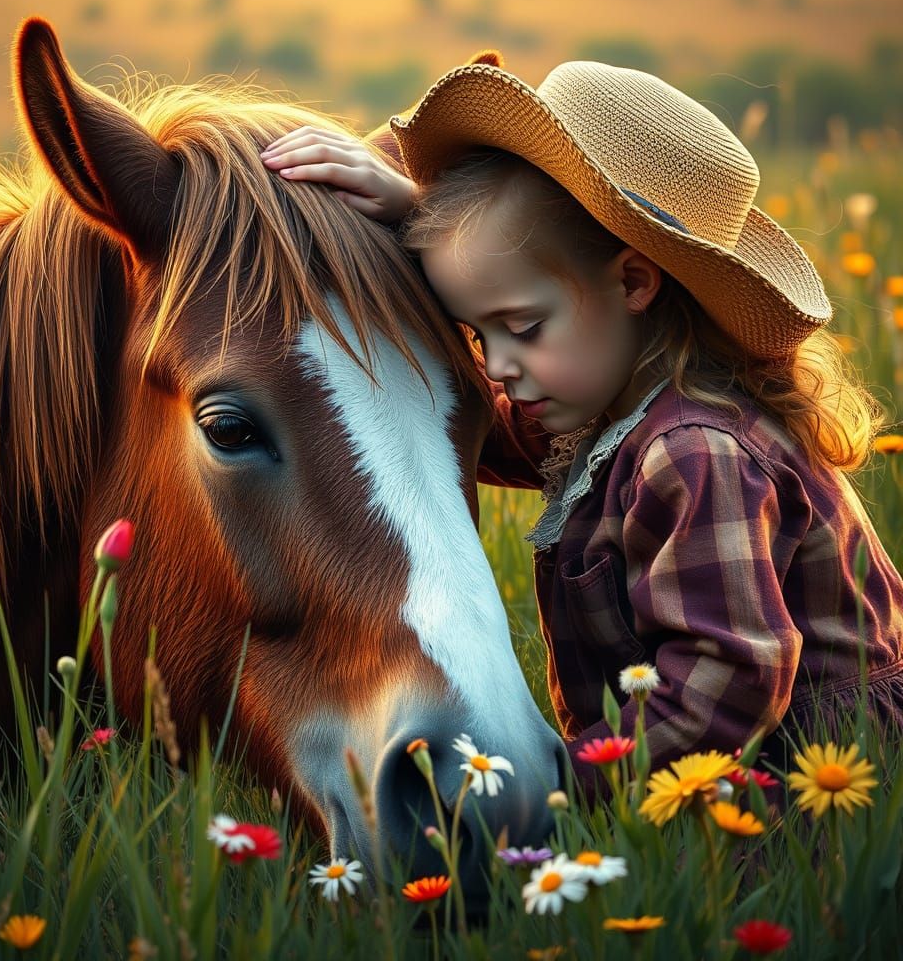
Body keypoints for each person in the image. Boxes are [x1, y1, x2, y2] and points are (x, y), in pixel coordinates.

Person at [259, 58, 903, 790]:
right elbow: (466, 430)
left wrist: (564, 786)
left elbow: (729, 683)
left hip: (805, 779)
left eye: (522, 327)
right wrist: (411, 215)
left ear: (632, 282)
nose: (497, 367)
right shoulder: (611, 403)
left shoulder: (694, 452)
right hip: (723, 761)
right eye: (479, 335)